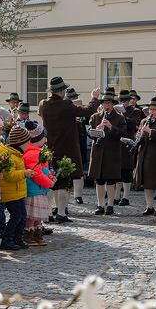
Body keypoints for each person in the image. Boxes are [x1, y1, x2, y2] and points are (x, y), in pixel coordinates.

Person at [37, 77, 101, 221]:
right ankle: (61, 213)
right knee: (63, 183)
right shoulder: (66, 104)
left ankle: (48, 214)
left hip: (49, 148)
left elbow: (42, 114)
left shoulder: (43, 104)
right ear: (62, 91)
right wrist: (94, 98)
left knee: (50, 182)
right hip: (66, 149)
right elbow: (88, 110)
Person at [88, 88, 128, 215]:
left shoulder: (119, 118)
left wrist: (111, 127)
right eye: (105, 103)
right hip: (98, 152)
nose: (107, 105)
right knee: (99, 180)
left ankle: (110, 205)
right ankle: (100, 205)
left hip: (112, 152)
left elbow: (123, 133)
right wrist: (95, 131)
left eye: (109, 103)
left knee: (110, 180)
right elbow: (89, 132)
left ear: (113, 104)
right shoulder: (95, 117)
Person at [0, 124, 33, 250]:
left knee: (22, 216)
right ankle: (7, 240)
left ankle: (18, 238)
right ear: (20, 143)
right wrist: (24, 173)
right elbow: (9, 175)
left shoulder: (16, 154)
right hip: (10, 192)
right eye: (27, 143)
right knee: (16, 217)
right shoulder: (10, 155)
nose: (28, 145)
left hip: (18, 192)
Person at [20, 120, 53, 247]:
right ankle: (29, 234)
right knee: (32, 215)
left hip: (39, 189)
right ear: (39, 138)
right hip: (34, 189)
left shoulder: (38, 151)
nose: (45, 139)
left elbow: (43, 169)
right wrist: (48, 182)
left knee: (37, 215)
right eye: (44, 137)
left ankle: (37, 233)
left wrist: (50, 176)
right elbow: (37, 173)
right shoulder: (32, 153)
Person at [115, 89, 144, 205]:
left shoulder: (135, 111)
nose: (122, 103)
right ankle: (116, 196)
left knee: (126, 170)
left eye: (125, 101)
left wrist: (121, 116)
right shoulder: (115, 111)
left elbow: (133, 123)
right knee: (117, 171)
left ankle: (126, 197)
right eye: (120, 101)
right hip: (117, 142)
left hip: (128, 143)